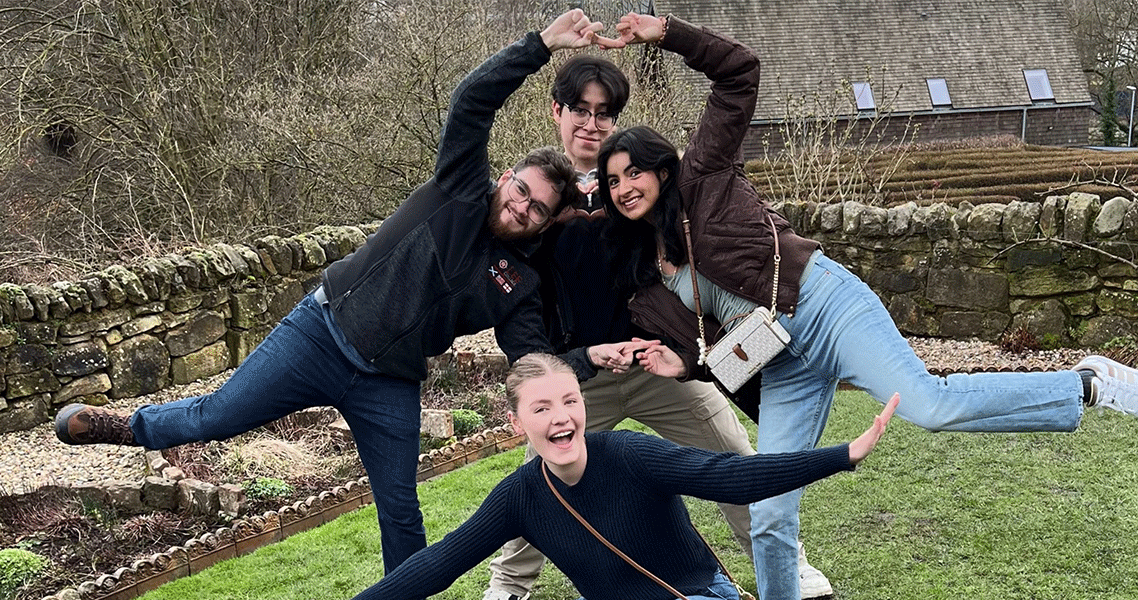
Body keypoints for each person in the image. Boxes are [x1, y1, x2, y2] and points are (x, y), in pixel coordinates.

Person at [51, 9, 624, 575]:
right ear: (505, 178)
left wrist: (588, 360)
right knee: (214, 417)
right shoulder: (461, 186)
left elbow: (531, 361)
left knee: (401, 513)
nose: (520, 207)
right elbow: (471, 101)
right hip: (321, 334)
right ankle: (123, 427)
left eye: (536, 208)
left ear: (547, 220)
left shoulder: (521, 283)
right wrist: (540, 45)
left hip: (390, 383)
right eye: (519, 191)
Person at [592, 12, 1138, 600]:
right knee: (769, 507)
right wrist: (684, 365)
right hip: (777, 363)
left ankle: (1087, 383)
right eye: (613, 179)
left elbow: (739, 74)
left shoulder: (704, 176)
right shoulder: (644, 274)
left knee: (929, 405)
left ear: (663, 168)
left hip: (825, 305)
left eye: (635, 172)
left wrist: (670, 33)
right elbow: (704, 343)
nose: (625, 187)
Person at [482, 54, 832, 600]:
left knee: (732, 456)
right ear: (557, 111)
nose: (592, 123)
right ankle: (509, 585)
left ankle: (786, 565)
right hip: (581, 378)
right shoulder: (541, 196)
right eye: (580, 109)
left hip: (659, 365)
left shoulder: (634, 184)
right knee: (543, 478)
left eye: (605, 112)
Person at [352, 353, 898, 600]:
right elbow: (440, 562)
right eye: (541, 409)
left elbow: (732, 476)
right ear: (517, 424)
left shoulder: (629, 454)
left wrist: (842, 454)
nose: (561, 417)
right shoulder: (519, 497)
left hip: (697, 594)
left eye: (569, 400)